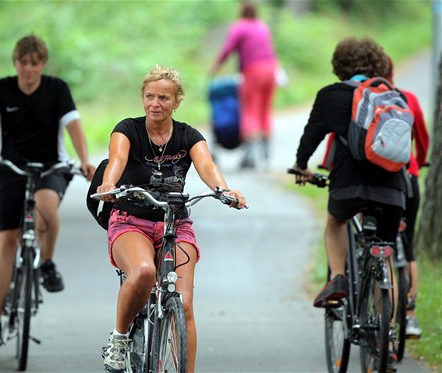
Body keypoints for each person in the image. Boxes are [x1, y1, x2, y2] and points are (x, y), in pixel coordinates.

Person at [96, 65, 247, 373]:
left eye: (164, 97)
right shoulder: (127, 129)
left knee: (185, 303)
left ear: (177, 101)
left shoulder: (188, 135)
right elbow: (117, 160)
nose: (155, 103)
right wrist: (109, 184)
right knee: (142, 272)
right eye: (150, 96)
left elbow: (206, 165)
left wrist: (224, 190)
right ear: (142, 97)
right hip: (131, 219)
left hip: (175, 224)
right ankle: (120, 338)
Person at [0, 34, 95, 346]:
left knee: (46, 208)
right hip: (9, 167)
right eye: (23, 63)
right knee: (7, 240)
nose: (29, 69)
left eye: (34, 63)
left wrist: (86, 161)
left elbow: (73, 125)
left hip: (50, 166)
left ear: (43, 64)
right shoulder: (1, 89)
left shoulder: (57, 88)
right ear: (16, 63)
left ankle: (46, 263)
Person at [292, 37, 406, 366]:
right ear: (378, 65)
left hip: (348, 187)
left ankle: (338, 277)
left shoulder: (331, 95)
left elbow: (311, 136)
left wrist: (301, 166)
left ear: (339, 65)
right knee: (385, 250)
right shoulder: (392, 95)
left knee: (335, 222)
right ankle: (391, 335)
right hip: (392, 189)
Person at [384, 57, 430, 339]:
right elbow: (423, 141)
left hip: (378, 182)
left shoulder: (362, 100)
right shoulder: (408, 98)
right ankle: (410, 317)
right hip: (409, 177)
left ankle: (383, 320)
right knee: (408, 246)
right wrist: (420, 163)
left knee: (379, 244)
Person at [210, 0, 278, 169]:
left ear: (242, 9)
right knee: (264, 111)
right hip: (271, 70)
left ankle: (251, 156)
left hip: (252, 72)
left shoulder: (239, 26)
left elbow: (228, 49)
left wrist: (216, 67)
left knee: (250, 111)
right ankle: (267, 157)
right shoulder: (262, 26)